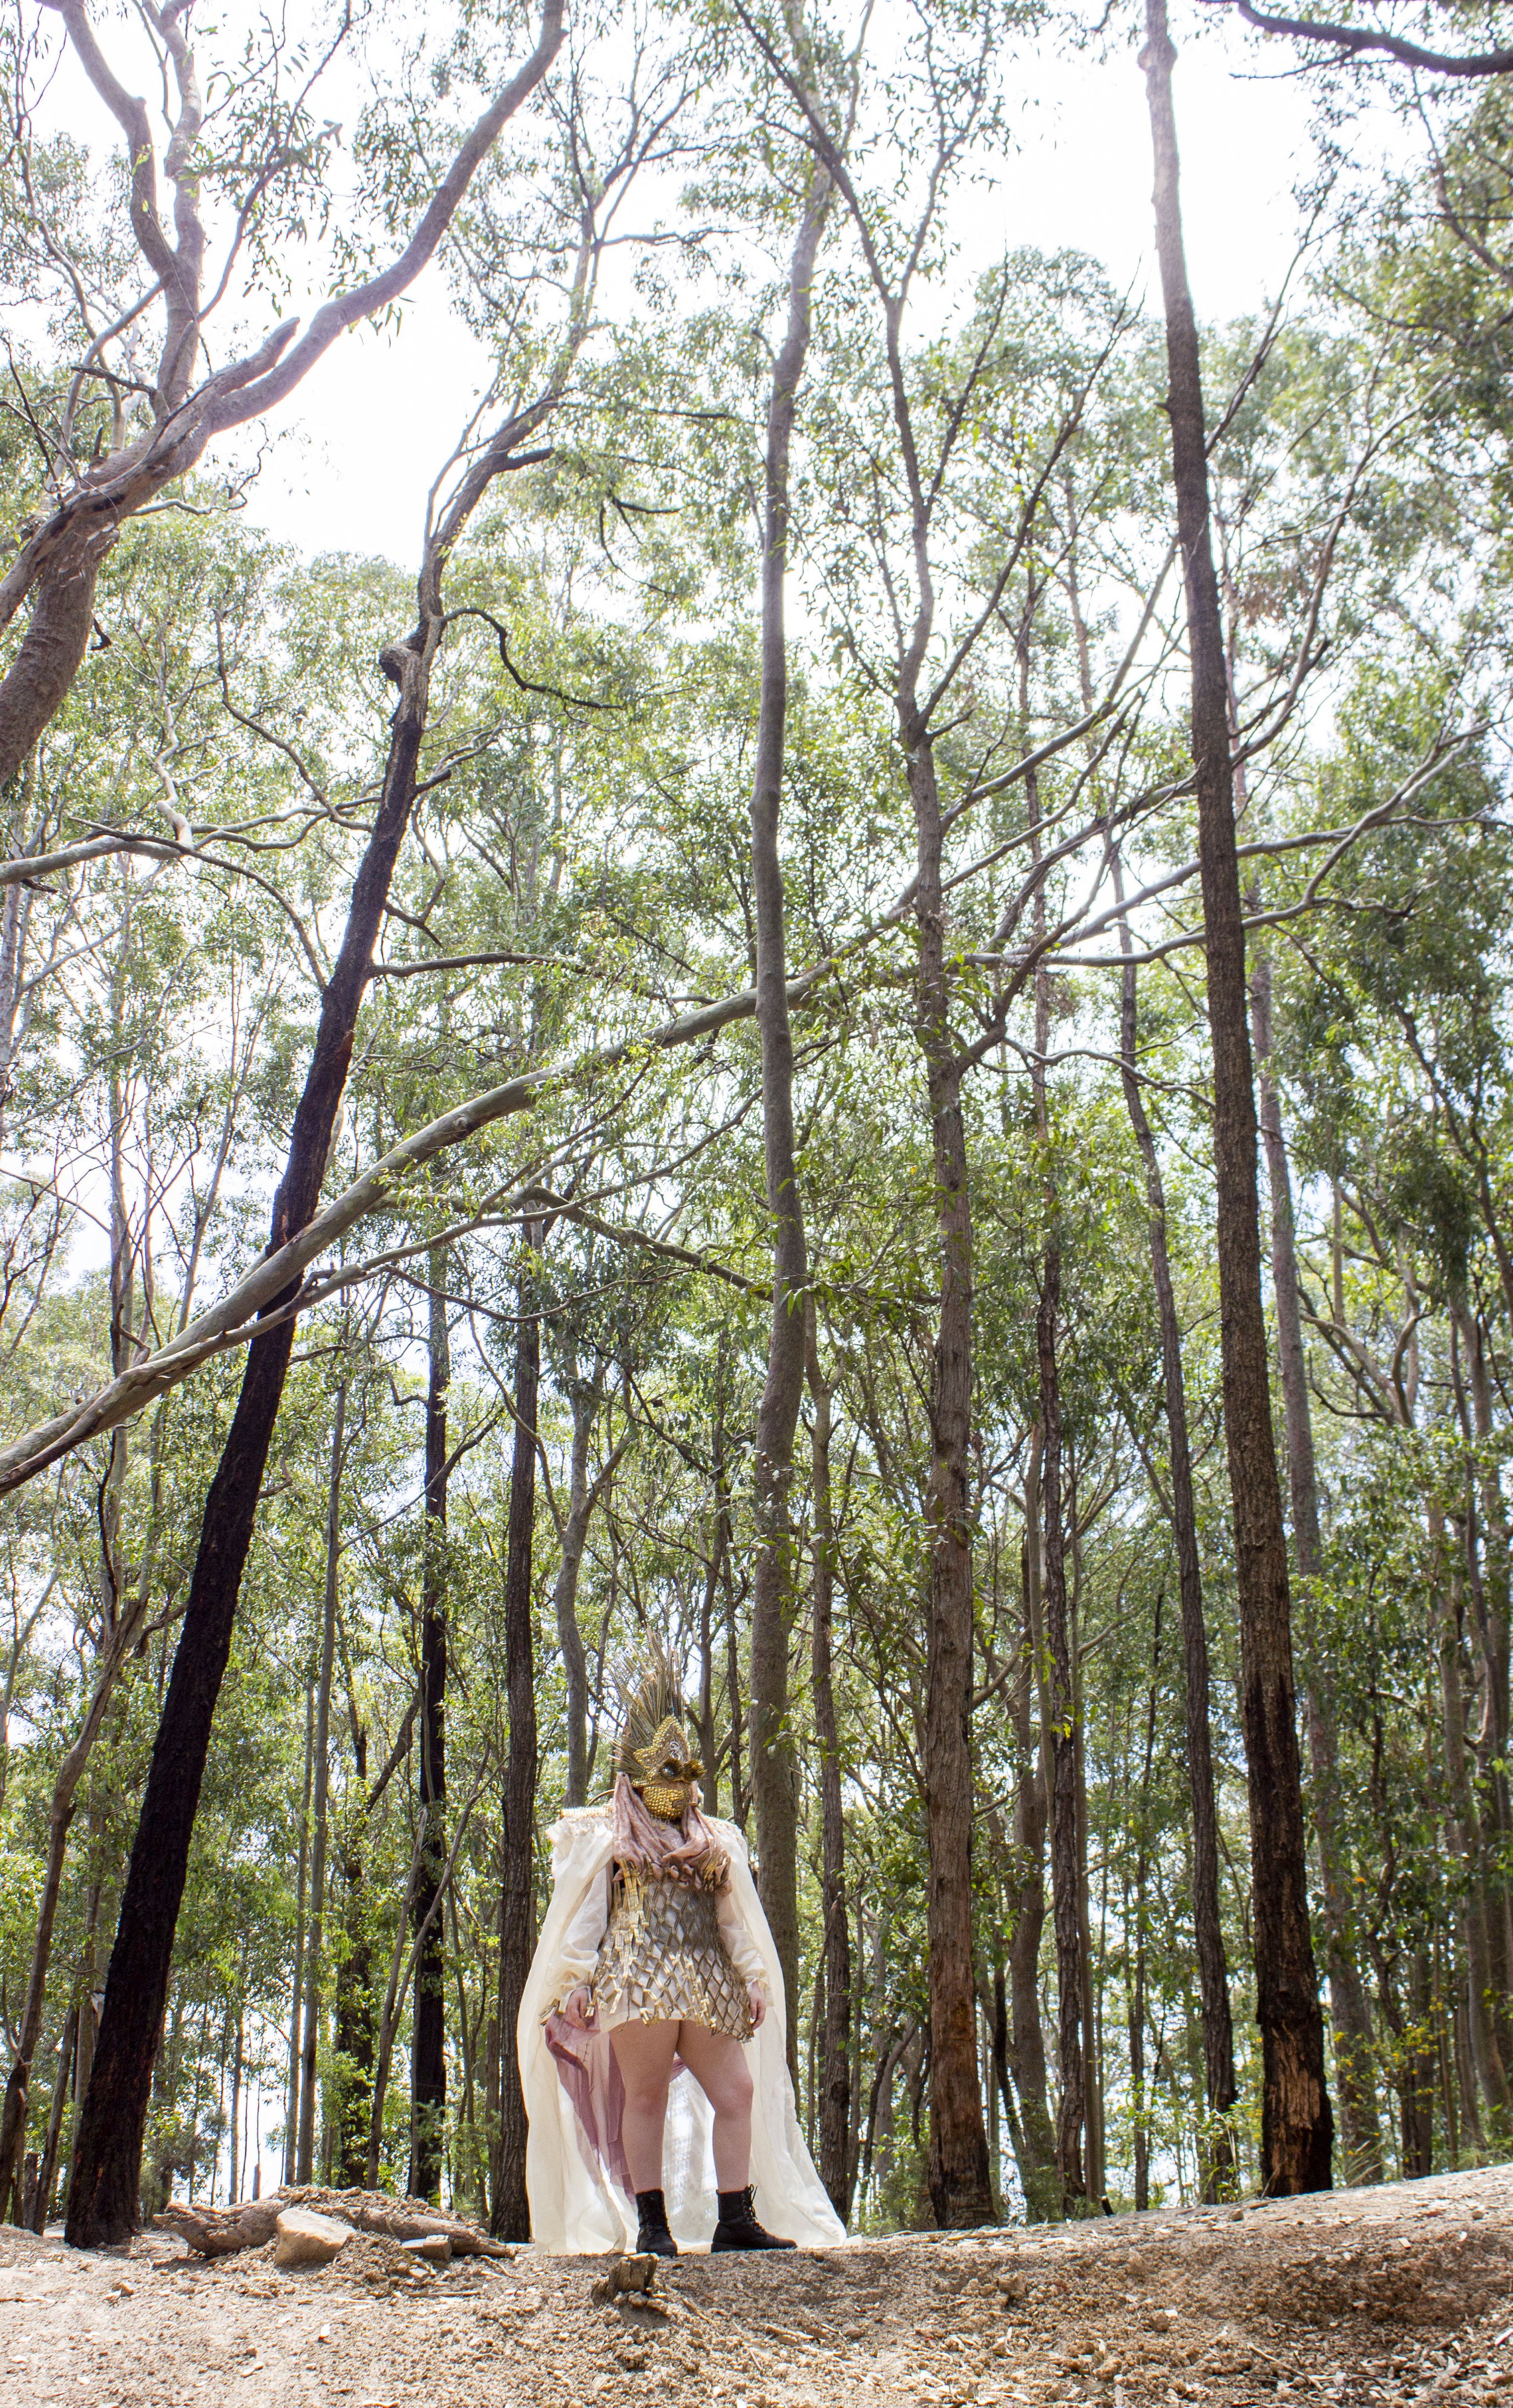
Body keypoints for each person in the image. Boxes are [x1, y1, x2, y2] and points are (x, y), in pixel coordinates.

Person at [517, 1657, 846, 2256]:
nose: (676, 1782)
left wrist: (751, 1979)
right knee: (645, 2096)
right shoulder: (608, 1838)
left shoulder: (712, 1841)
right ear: (638, 1777)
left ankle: (735, 2218)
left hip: (706, 1978)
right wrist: (577, 1979)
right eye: (662, 1770)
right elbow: (589, 1918)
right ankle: (651, 2225)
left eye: (682, 1769)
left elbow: (733, 1920)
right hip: (636, 1977)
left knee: (736, 2092)